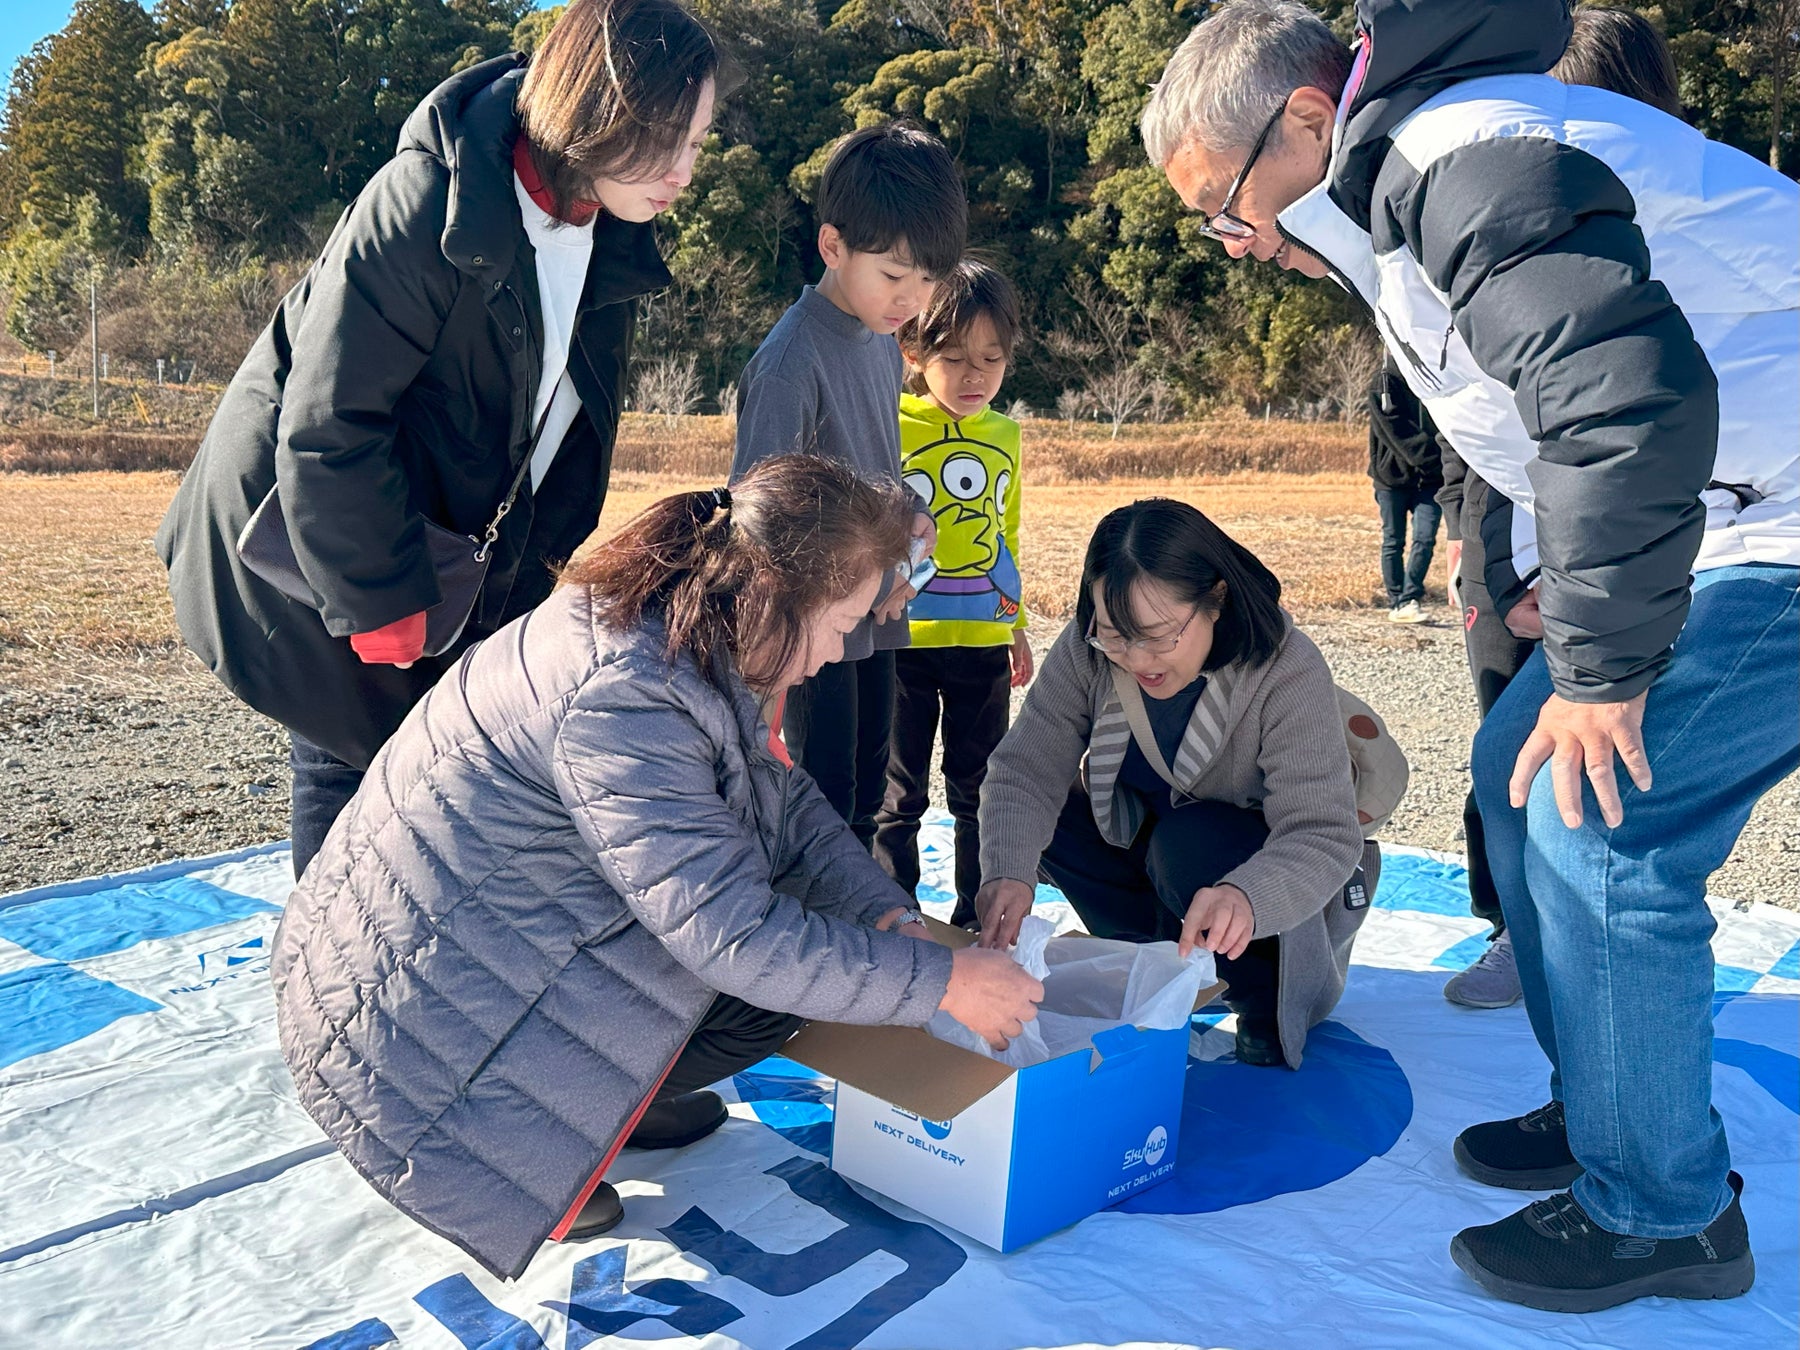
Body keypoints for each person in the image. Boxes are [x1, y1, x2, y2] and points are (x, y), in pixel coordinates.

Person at [1143, 0, 1796, 1312]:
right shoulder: (1416, 187)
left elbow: (1622, 391)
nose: (1232, 238)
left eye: (1224, 200)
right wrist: (1583, 575)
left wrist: (1609, 666)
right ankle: (1613, 1101)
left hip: (1784, 522)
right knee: (1512, 767)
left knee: (1597, 810)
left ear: (1310, 123)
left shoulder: (1467, 155)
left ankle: (1664, 1211)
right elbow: (1560, 401)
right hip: (1737, 514)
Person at [270, 456, 1046, 1282]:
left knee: (808, 964)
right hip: (421, 1054)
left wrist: (885, 916)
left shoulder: (678, 622)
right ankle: (531, 1145)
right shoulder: (627, 693)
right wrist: (939, 982)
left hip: (455, 972)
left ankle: (613, 1100)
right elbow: (736, 937)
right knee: (772, 977)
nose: (834, 654)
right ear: (779, 591)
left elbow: (783, 805)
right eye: (839, 622)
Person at [156, 0, 717, 877]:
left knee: (436, 778)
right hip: (309, 527)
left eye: (699, 143)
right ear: (598, 109)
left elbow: (558, 433)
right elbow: (331, 414)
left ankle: (396, 984)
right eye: (668, 139)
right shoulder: (429, 201)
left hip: (431, 535)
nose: (686, 170)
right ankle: (329, 999)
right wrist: (376, 592)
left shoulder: (610, 227)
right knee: (350, 756)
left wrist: (530, 594)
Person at [1441, 1, 1687, 1011]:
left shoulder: (1678, 245)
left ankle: (1606, 1033)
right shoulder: (1506, 241)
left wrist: (1589, 589)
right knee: (1503, 758)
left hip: (1632, 586)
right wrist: (1483, 566)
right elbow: (1478, 428)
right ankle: (1520, 939)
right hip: (1520, 567)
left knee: (1596, 813)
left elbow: (1653, 442)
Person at [974, 499, 1391, 1070]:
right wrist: (1006, 872)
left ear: (1215, 600)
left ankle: (1259, 997)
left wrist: (1248, 897)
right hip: (1150, 865)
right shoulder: (1087, 651)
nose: (1136, 659)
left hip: (1247, 894)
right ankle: (1152, 963)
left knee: (1190, 842)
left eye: (1159, 636)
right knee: (1055, 818)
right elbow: (1026, 769)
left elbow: (1321, 833)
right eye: (1115, 636)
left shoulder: (1285, 668)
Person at [729, 122, 967, 847]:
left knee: (868, 796)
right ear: (833, 247)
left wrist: (912, 517)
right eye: (895, 276)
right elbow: (759, 525)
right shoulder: (789, 363)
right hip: (816, 631)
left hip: (879, 613)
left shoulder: (877, 342)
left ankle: (864, 935)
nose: (912, 300)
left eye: (929, 282)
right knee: (818, 809)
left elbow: (876, 473)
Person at [872, 259, 1035, 928]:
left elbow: (1007, 530)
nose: (975, 376)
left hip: (981, 642)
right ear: (913, 350)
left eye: (992, 360)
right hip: (903, 640)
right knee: (898, 791)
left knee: (981, 789)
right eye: (957, 357)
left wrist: (1016, 622)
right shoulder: (891, 423)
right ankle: (894, 912)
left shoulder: (1005, 434)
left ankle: (974, 914)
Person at [1366, 355, 1444, 623]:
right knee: (1393, 539)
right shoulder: (1384, 382)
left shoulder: (1437, 375)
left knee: (1425, 538)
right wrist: (1437, 457)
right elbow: (1394, 430)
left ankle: (1410, 598)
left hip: (1431, 480)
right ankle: (1397, 600)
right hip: (1392, 478)